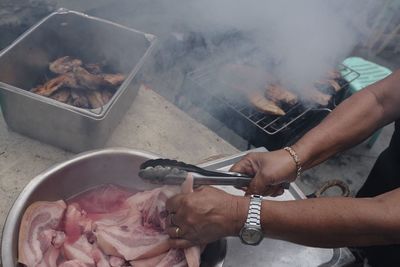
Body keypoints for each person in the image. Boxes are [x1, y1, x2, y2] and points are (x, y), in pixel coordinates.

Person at [165, 69, 400, 267]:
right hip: (372, 203)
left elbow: (390, 218)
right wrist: (294, 156)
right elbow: (382, 100)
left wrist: (239, 215)